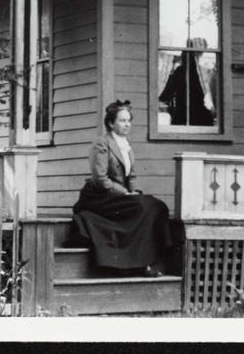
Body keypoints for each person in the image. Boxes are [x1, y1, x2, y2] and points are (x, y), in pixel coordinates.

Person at [65, 101, 174, 275]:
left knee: (157, 206)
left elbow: (132, 176)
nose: (127, 124)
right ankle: (135, 263)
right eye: (122, 120)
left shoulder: (127, 147)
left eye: (129, 120)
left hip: (119, 195)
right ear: (110, 123)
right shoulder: (101, 143)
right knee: (141, 207)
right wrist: (127, 194)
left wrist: (135, 192)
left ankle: (147, 260)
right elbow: (100, 179)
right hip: (98, 196)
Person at [156, 37, 217, 127]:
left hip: (184, 114)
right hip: (200, 115)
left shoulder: (182, 71)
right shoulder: (201, 71)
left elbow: (167, 94)